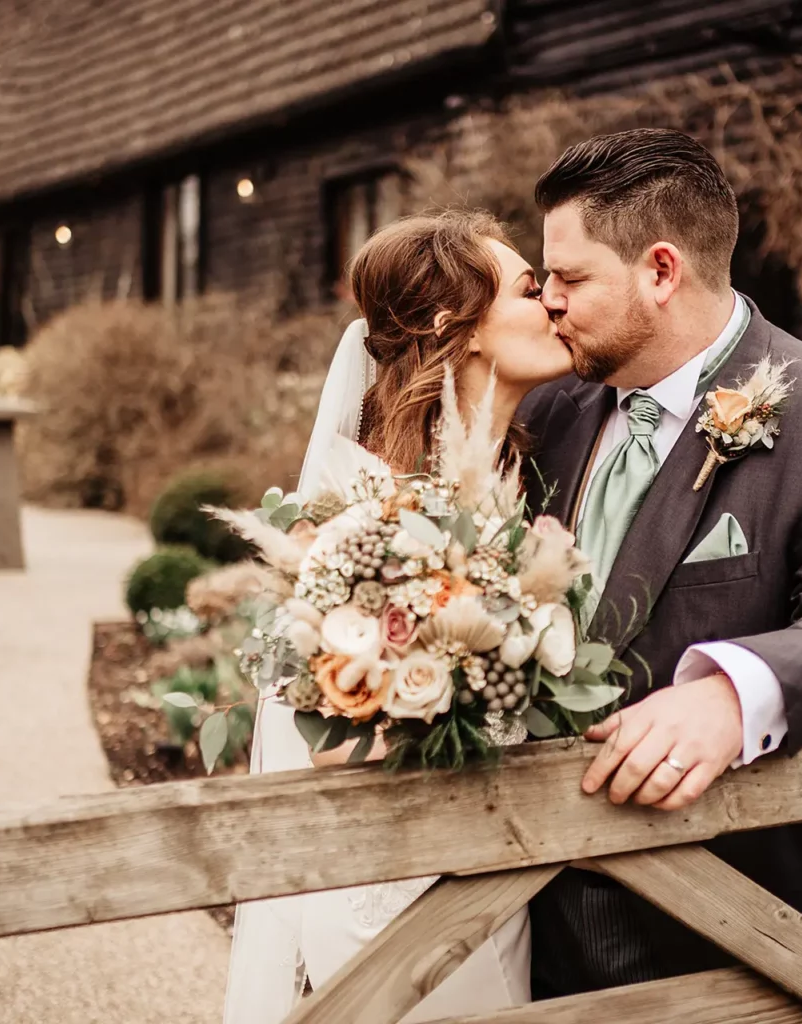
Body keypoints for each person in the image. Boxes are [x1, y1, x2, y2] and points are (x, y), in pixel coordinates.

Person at [517, 128, 802, 997]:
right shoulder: (551, 410)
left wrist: (731, 693)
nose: (545, 299)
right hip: (522, 896)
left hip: (723, 918)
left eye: (571, 277)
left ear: (661, 271)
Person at [221, 210, 572, 1023]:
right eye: (529, 287)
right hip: (392, 892)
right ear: (460, 325)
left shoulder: (519, 472)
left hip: (497, 880)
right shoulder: (365, 509)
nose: (553, 300)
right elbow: (325, 744)